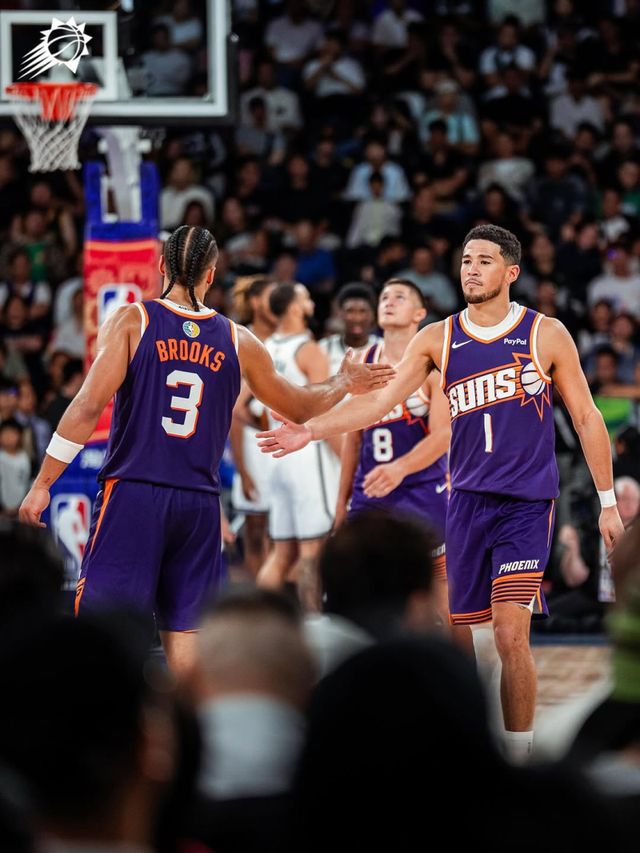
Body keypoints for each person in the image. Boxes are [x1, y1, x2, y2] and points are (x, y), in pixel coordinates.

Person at [258, 223, 625, 762]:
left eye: (483, 261)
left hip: (525, 504)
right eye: (466, 260)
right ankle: (472, 747)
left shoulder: (545, 333)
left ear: (511, 272)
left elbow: (588, 418)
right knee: (466, 642)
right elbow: (377, 404)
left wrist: (607, 503)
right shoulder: (439, 338)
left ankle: (517, 758)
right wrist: (310, 430)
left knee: (510, 635)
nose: (471, 269)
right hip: (465, 502)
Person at [18, 226, 393, 674]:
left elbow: (86, 408)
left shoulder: (134, 320)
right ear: (211, 274)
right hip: (199, 505)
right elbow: (297, 405)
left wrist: (43, 483)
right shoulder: (238, 339)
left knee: (106, 638)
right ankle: (191, 719)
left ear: (162, 265)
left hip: (134, 493)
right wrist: (343, 382)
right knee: (191, 647)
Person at [334, 279, 452, 627]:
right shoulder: (363, 363)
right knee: (361, 592)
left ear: (419, 313)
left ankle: (459, 662)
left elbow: (443, 434)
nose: (388, 301)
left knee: (444, 600)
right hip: (370, 495)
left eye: (399, 297)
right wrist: (341, 503)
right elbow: (352, 439)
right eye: (384, 296)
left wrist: (400, 468)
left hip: (422, 492)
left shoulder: (433, 365)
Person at [256, 282, 346, 609]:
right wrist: (348, 460)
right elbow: (324, 411)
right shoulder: (309, 350)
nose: (311, 303)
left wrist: (270, 428)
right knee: (312, 551)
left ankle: (257, 621)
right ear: (295, 307)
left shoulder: (263, 347)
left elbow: (241, 408)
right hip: (306, 456)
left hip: (276, 457)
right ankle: (314, 624)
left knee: (282, 553)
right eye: (306, 297)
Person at [229, 276, 277, 577]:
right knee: (256, 531)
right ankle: (254, 596)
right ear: (257, 302)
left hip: (285, 446)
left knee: (282, 534)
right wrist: (243, 471)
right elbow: (233, 411)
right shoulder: (240, 339)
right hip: (252, 445)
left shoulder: (288, 340)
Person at [319, 282, 379, 375]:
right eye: (350, 311)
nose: (357, 318)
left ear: (372, 315)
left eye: (362, 311)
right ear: (340, 314)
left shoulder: (383, 347)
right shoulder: (324, 348)